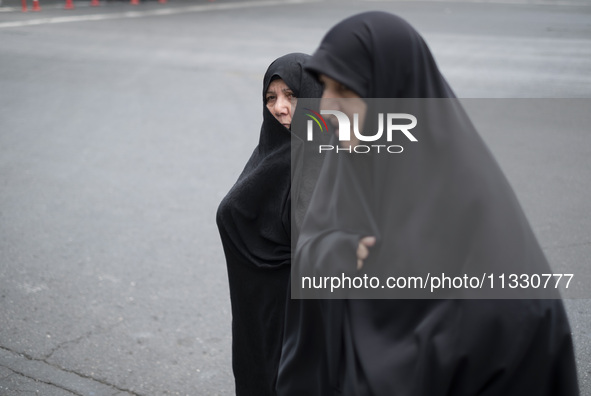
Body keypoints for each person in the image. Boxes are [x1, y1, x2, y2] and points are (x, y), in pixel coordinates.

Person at [277, 12, 579, 396]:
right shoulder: (347, 170)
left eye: (346, 90)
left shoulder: (506, 298)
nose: (325, 108)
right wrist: (333, 254)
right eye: (324, 87)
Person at [216, 53, 323, 396]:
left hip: (301, 325)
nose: (279, 107)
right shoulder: (270, 153)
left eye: (291, 96)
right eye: (271, 97)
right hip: (258, 322)